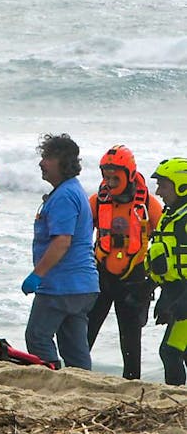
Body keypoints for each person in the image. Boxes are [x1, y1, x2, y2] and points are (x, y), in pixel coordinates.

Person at [23, 134, 98, 370]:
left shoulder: (65, 195)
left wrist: (37, 275)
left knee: (37, 336)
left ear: (63, 162)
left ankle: (51, 378)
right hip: (83, 286)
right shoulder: (72, 190)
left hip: (62, 285)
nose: (41, 163)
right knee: (75, 349)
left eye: (48, 157)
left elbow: (62, 242)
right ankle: (82, 386)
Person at [86, 145, 162, 380]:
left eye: (114, 177)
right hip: (101, 276)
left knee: (130, 340)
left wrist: (153, 281)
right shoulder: (96, 202)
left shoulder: (149, 205)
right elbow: (78, 238)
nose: (109, 182)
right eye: (105, 176)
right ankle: (74, 374)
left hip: (134, 280)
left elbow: (165, 244)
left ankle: (132, 383)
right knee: (84, 332)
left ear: (129, 174)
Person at [145, 158, 187, 385]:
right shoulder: (171, 216)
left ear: (182, 185)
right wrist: (148, 286)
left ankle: (176, 401)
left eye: (163, 185)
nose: (158, 192)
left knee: (170, 351)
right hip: (175, 291)